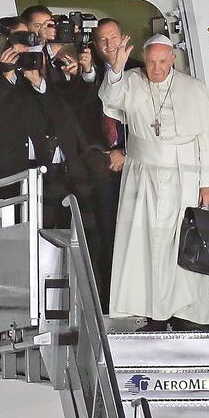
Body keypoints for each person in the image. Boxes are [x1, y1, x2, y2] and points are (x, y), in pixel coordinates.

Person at [100, 34, 209, 331]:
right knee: (145, 244)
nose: (156, 68)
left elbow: (205, 143)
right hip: (142, 177)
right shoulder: (130, 81)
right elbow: (111, 99)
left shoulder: (193, 89)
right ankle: (151, 314)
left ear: (172, 59)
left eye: (162, 62)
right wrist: (116, 69)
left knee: (182, 243)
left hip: (185, 177)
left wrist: (207, 184)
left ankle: (186, 314)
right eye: (151, 61)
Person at [0, 17, 102, 229]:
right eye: (20, 39)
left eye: (29, 38)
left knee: (46, 237)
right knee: (2, 239)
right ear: (2, 43)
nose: (25, 45)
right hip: (3, 178)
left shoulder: (37, 71)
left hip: (43, 177)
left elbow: (63, 113)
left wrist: (39, 84)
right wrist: (6, 76)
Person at [79, 18, 141, 312]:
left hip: (137, 166)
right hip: (101, 169)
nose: (109, 45)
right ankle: (109, 304)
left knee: (137, 236)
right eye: (102, 40)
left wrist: (126, 153)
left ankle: (137, 303)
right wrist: (105, 156)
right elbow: (80, 120)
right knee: (106, 237)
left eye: (113, 37)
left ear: (123, 37)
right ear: (95, 44)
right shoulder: (87, 74)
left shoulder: (140, 70)